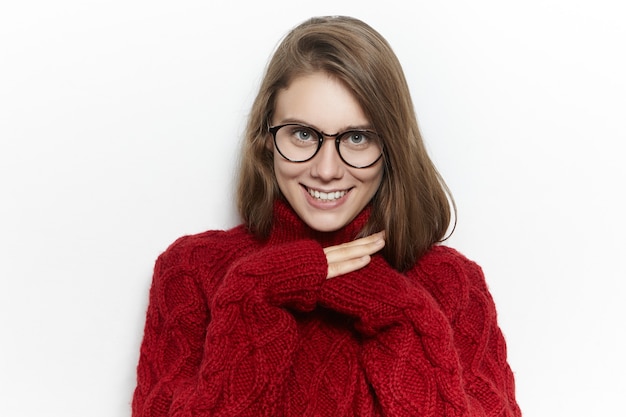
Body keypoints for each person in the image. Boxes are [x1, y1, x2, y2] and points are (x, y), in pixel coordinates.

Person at [131, 16, 521, 417]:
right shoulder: (192, 272)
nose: (327, 169)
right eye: (303, 134)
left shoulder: (452, 286)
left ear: (391, 148)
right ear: (266, 138)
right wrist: (251, 295)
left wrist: (404, 313)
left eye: (357, 138)